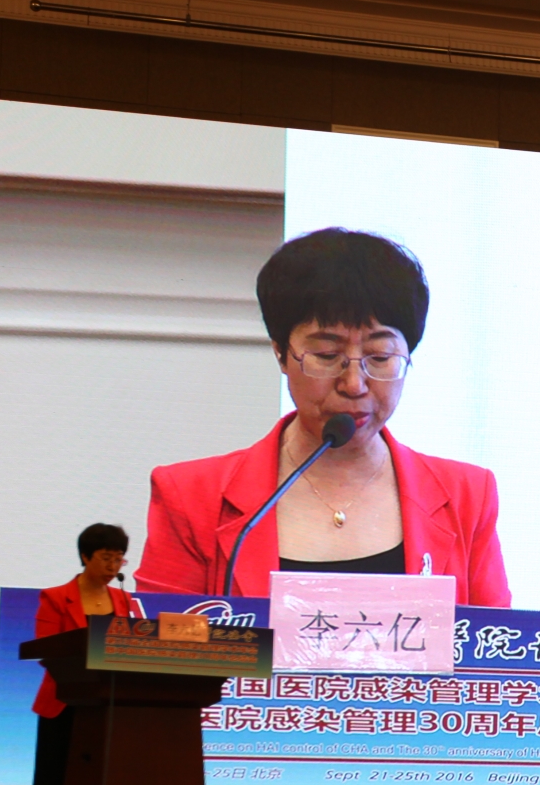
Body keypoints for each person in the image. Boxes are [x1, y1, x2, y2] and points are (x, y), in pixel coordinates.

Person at [136, 228, 512, 606]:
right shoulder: (192, 499)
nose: (354, 384)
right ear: (281, 354)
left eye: (380, 357)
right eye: (327, 356)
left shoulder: (466, 497)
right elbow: (161, 639)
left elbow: (499, 641)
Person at [31, 523, 138, 785]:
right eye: (106, 558)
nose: (113, 566)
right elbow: (47, 652)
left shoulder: (124, 600)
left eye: (119, 559)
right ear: (85, 556)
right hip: (63, 709)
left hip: (107, 710)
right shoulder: (54, 598)